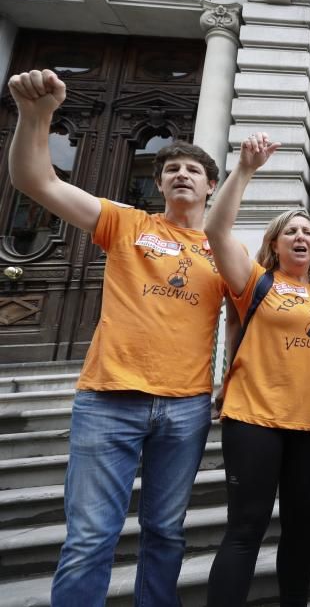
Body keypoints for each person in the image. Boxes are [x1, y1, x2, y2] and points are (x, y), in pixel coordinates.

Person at [7, 69, 225, 605]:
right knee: (89, 540)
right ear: (158, 183)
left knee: (167, 534)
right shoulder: (127, 223)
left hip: (186, 406)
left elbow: (249, 321)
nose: (181, 176)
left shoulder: (225, 251)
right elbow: (39, 183)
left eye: (193, 170)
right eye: (171, 168)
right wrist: (36, 118)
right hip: (109, 400)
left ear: (210, 185)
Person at [203, 133, 310, 605]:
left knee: (301, 528)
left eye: (308, 232)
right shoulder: (255, 280)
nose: (301, 237)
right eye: (291, 232)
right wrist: (244, 170)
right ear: (275, 245)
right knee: (246, 528)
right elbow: (216, 232)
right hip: (254, 420)